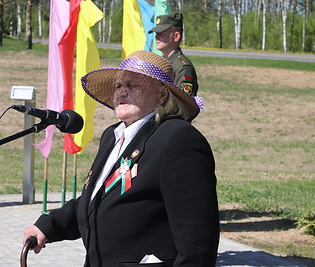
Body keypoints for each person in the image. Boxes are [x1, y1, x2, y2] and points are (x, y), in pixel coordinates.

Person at [23, 50, 219, 266]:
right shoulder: (113, 135)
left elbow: (198, 241)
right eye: (118, 86)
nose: (121, 92)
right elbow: (98, 198)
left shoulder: (177, 138)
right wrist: (49, 225)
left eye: (132, 85)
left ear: (161, 95)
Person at [149, 12, 199, 97]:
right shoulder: (161, 63)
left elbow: (183, 103)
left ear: (176, 36)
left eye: (161, 33)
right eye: (156, 34)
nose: (156, 37)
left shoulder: (182, 68)